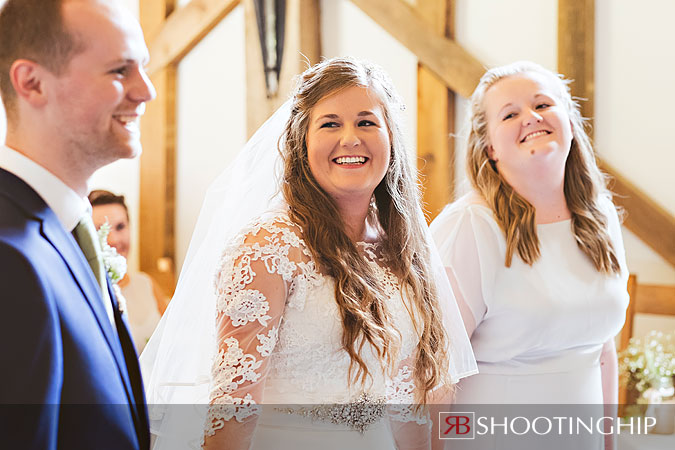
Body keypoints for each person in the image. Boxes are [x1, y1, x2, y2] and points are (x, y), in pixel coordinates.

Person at [141, 57, 476, 450]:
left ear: (390, 139)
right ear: (302, 141)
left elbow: (409, 401)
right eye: (330, 123)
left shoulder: (402, 248)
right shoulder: (268, 248)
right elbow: (234, 408)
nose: (351, 138)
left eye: (366, 122)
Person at [430, 61, 628, 449]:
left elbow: (603, 350)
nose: (531, 118)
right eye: (510, 114)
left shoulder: (600, 216)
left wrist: (609, 442)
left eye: (543, 104)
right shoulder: (470, 226)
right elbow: (437, 371)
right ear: (489, 147)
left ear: (569, 121)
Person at [0, 0, 156, 448]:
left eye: (142, 67)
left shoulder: (67, 232)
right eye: (119, 71)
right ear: (32, 83)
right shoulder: (10, 256)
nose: (146, 91)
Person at [89, 189, 168, 353]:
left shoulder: (146, 284)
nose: (114, 240)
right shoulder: (84, 294)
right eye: (101, 230)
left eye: (120, 227)